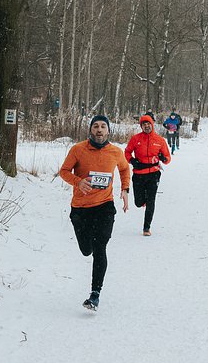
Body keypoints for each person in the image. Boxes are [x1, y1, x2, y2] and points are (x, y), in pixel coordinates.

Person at [59, 114, 130, 311]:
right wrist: (78, 181)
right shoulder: (78, 150)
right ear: (91, 130)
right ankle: (87, 248)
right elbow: (64, 171)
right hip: (81, 209)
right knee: (86, 250)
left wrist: (125, 190)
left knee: (100, 248)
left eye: (103, 126)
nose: (99, 130)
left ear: (108, 131)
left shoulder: (115, 152)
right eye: (96, 126)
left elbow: (125, 170)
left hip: (104, 207)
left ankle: (95, 294)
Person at [124, 114, 171, 236]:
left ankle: (146, 227)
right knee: (138, 202)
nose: (146, 126)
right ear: (141, 127)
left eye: (148, 124)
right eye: (144, 124)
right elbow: (127, 152)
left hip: (153, 174)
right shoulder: (135, 139)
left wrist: (163, 158)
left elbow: (168, 158)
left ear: (152, 125)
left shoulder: (160, 140)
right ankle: (143, 200)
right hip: (139, 173)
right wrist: (132, 161)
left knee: (151, 200)